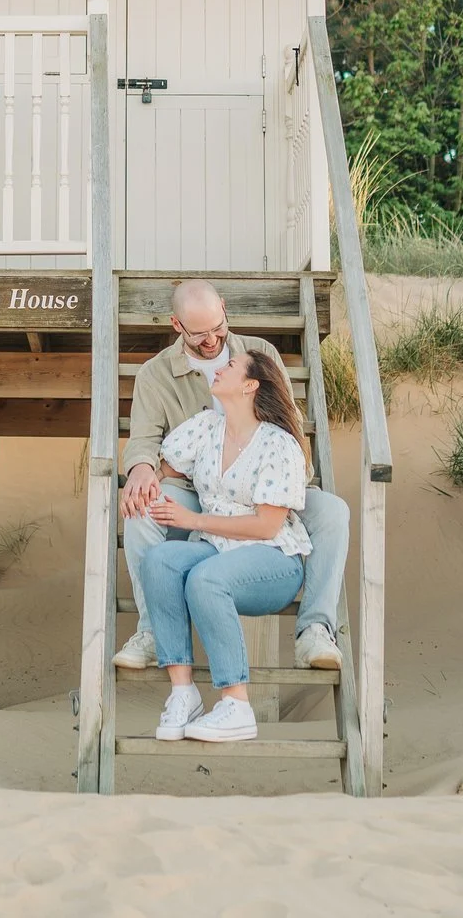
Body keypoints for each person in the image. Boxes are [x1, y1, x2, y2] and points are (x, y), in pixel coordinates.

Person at [115, 280, 348, 674]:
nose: (212, 341)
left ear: (224, 308)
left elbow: (287, 422)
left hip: (267, 484)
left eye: (218, 328)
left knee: (333, 512)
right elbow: (145, 441)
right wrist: (141, 469)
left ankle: (315, 630)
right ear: (176, 325)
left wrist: (278, 481)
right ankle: (152, 630)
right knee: (141, 513)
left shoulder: (258, 355)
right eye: (199, 334)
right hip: (195, 487)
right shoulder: (156, 375)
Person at [138, 343, 312, 742]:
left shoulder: (279, 444)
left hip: (273, 560)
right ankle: (183, 693)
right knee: (161, 560)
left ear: (250, 384)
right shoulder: (206, 428)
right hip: (215, 547)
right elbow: (160, 466)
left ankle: (236, 704)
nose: (219, 368)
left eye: (230, 366)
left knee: (205, 579)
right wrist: (142, 473)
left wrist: (193, 519)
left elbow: (268, 526)